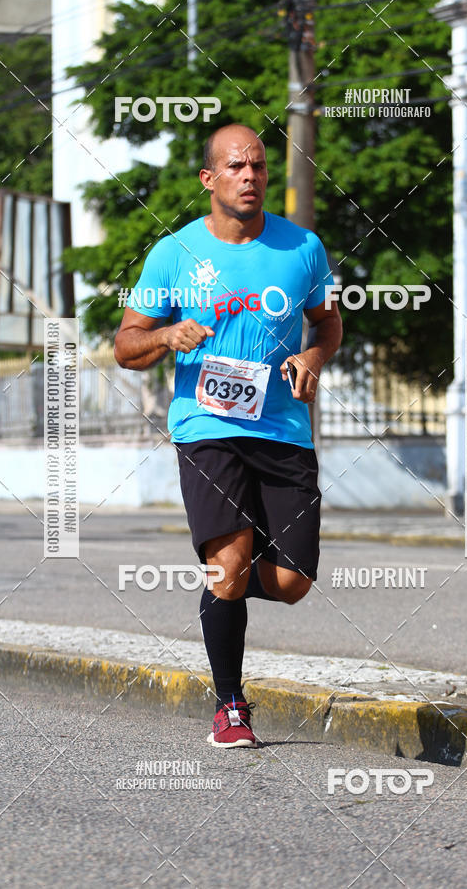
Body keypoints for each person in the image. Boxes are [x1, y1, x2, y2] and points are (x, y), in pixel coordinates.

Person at [114, 123, 342, 748]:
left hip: (282, 429)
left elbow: (327, 324)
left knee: (293, 584)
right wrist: (166, 335)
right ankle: (231, 705)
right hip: (206, 425)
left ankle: (234, 579)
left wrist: (314, 359)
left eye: (260, 166)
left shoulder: (303, 249)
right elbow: (126, 346)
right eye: (237, 167)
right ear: (208, 180)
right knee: (230, 565)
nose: (250, 176)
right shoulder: (173, 254)